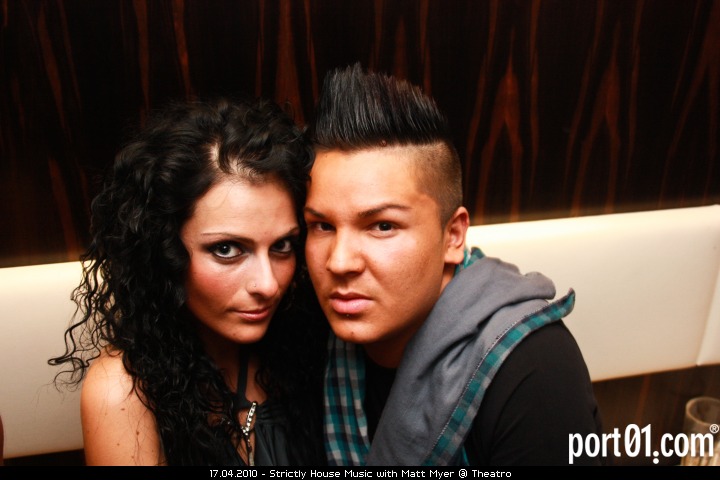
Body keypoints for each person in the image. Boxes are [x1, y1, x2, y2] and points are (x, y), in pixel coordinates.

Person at [304, 63, 604, 466]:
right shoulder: (308, 334)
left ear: (453, 236)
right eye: (322, 226)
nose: (339, 262)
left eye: (382, 226)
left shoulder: (534, 369)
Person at [49, 97, 327, 466]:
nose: (268, 284)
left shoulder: (313, 347)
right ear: (164, 250)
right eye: (227, 249)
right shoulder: (124, 392)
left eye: (282, 246)